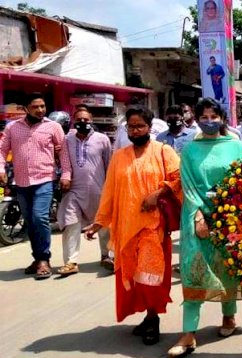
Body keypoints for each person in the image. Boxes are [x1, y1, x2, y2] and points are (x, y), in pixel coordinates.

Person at [84, 105, 181, 345]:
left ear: (150, 127)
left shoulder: (163, 151)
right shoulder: (119, 156)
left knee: (151, 276)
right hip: (126, 227)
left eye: (140, 126)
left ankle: (153, 319)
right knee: (135, 277)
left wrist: (158, 193)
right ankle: (147, 317)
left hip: (153, 227)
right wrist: (98, 223)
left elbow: (179, 178)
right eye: (131, 126)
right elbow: (109, 192)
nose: (136, 131)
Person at [167, 98, 242, 358]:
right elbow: (188, 185)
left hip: (230, 216)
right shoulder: (190, 149)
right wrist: (200, 217)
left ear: (223, 118)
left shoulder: (235, 146)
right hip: (196, 216)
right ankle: (189, 333)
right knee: (194, 270)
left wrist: (228, 213)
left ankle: (229, 317)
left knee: (228, 267)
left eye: (214, 116)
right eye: (204, 116)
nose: (209, 121)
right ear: (196, 118)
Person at [0, 93, 71, 280]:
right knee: (30, 222)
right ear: (25, 108)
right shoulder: (12, 128)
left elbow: (63, 152)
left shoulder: (53, 127)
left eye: (42, 106)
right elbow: (2, 149)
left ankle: (44, 260)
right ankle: (37, 258)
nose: (40, 110)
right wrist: (0, 168)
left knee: (39, 218)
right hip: (22, 182)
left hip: (45, 180)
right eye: (35, 107)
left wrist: (66, 174)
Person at [57, 107, 113, 277]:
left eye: (86, 120)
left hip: (99, 190)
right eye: (79, 119)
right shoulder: (67, 140)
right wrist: (65, 177)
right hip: (74, 190)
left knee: (104, 224)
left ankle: (108, 256)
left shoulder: (102, 139)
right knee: (70, 223)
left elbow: (109, 164)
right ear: (74, 121)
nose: (83, 122)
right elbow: (65, 163)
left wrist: (111, 188)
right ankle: (71, 262)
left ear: (91, 120)